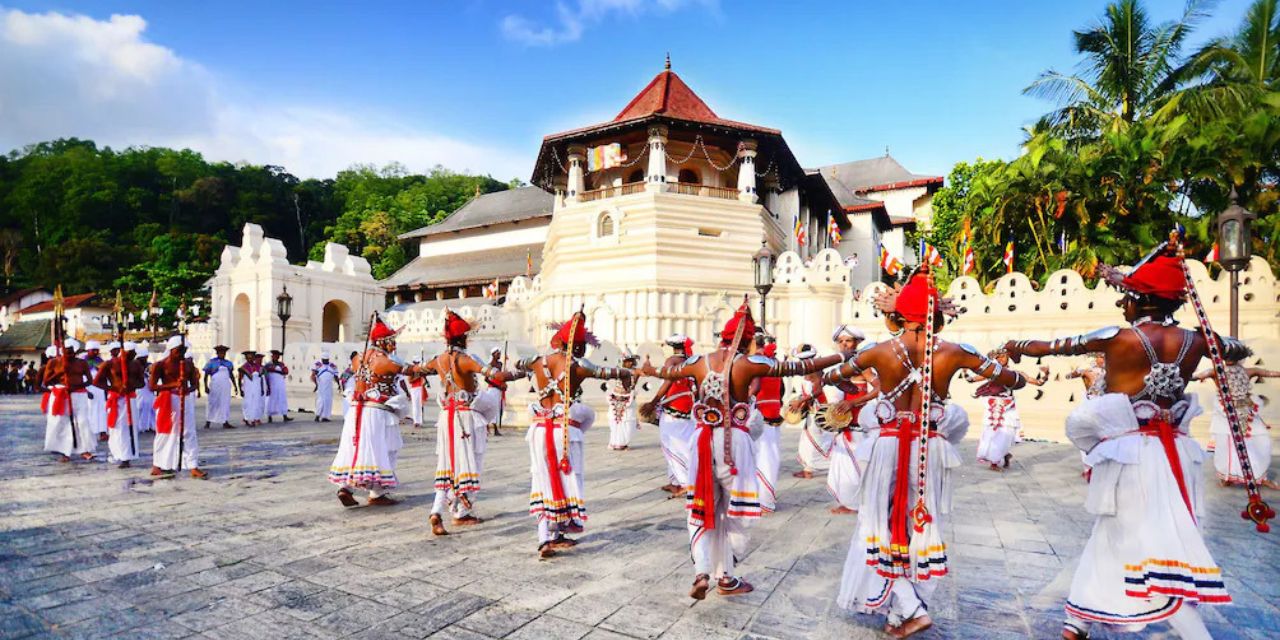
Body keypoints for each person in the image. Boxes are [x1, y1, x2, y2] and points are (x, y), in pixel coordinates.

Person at [1003, 242, 1248, 640]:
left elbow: (1050, 347)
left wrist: (1014, 347)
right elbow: (1238, 349)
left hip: (1132, 455)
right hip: (1173, 456)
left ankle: (1190, 629)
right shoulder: (1197, 340)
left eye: (1126, 298)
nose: (1122, 306)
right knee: (1117, 534)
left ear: (1139, 300)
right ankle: (1077, 621)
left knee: (1144, 538)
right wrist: (1213, 338)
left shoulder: (1117, 337)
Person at [832, 269, 1026, 638]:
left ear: (900, 314)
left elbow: (838, 374)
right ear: (937, 314)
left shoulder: (879, 350)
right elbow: (1007, 377)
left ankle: (911, 608)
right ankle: (899, 613)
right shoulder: (955, 352)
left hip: (889, 444)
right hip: (931, 447)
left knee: (878, 525)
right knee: (921, 524)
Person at [641, 300, 842, 599]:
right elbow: (803, 366)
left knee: (701, 508)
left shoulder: (698, 361)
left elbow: (667, 373)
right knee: (737, 512)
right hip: (734, 445)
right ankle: (726, 577)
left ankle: (701, 571)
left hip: (702, 441)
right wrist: (843, 355)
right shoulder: (750, 363)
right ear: (748, 341)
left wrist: (649, 368)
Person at [516, 310, 633, 558]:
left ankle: (545, 537)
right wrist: (625, 373)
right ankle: (557, 531)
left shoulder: (538, 361)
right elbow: (609, 372)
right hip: (563, 431)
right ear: (576, 346)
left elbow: (519, 365)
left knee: (541, 478)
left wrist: (521, 368)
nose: (583, 351)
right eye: (581, 346)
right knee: (568, 478)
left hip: (538, 429)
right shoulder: (579, 366)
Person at [420, 310, 523, 535]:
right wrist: (521, 372)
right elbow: (496, 376)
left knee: (446, 465)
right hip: (465, 419)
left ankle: (436, 511)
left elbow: (416, 371)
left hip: (446, 417)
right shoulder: (467, 359)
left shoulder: (438, 360)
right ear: (464, 338)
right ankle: (460, 513)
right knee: (469, 463)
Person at [328, 317, 409, 506]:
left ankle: (346, 487)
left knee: (356, 449)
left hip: (357, 412)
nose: (394, 344)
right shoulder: (384, 361)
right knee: (384, 449)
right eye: (392, 340)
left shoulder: (358, 359)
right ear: (383, 342)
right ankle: (377, 493)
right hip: (376, 412)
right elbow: (412, 371)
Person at [1193, 351, 1279, 488]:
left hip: (1247, 411)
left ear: (1240, 357)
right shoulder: (1215, 371)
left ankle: (1259, 476)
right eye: (1227, 356)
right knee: (1227, 445)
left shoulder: (1250, 371)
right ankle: (1227, 476)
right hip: (1225, 412)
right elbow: (1196, 376)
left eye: (1233, 356)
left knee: (1262, 441)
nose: (1230, 360)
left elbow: (1270, 373)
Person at [825, 325, 878, 514]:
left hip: (858, 423)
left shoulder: (862, 365)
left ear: (857, 343)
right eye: (841, 341)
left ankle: (855, 505)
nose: (844, 344)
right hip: (843, 422)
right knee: (843, 464)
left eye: (848, 341)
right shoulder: (839, 366)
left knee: (855, 464)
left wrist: (854, 403)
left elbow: (879, 388)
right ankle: (848, 502)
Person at [968, 348, 1048, 471]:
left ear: (1008, 358)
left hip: (1008, 407)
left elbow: (1038, 382)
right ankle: (995, 461)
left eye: (1003, 357)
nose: (1000, 359)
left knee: (1006, 433)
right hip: (993, 407)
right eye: (998, 357)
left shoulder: (1016, 373)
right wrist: (965, 368)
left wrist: (1046, 374)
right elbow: (971, 379)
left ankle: (1002, 454)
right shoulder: (991, 373)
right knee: (992, 432)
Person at [641, 334, 697, 496]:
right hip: (687, 405)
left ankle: (686, 482)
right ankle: (675, 481)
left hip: (674, 407)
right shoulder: (691, 361)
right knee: (683, 442)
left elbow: (667, 381)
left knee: (672, 444)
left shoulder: (672, 360)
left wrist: (653, 402)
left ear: (673, 346)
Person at [150, 336, 207, 479]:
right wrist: (173, 385)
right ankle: (158, 464)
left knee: (189, 432)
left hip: (185, 399)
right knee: (165, 432)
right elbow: (152, 386)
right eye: (179, 350)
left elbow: (194, 383)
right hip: (168, 400)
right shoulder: (160, 365)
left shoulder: (188, 364)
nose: (182, 353)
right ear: (171, 349)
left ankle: (193, 465)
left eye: (184, 350)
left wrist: (188, 389)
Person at [41, 339, 96, 462]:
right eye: (67, 353)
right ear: (62, 352)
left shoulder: (82, 363)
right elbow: (46, 382)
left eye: (71, 353)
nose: (69, 355)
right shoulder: (54, 362)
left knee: (82, 422)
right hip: (61, 395)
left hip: (79, 395)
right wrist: (60, 371)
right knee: (62, 422)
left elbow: (89, 380)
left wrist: (77, 387)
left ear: (75, 352)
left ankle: (85, 450)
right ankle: (65, 452)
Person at [94, 341, 144, 468]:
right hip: (116, 399)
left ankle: (127, 457)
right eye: (130, 354)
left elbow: (142, 383)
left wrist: (131, 385)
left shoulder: (136, 364)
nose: (132, 356)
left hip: (131, 398)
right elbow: (96, 382)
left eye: (133, 354)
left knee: (130, 427)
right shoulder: (109, 364)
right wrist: (114, 388)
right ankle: (119, 454)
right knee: (118, 428)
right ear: (123, 352)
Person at [750, 337, 783, 513]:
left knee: (760, 458)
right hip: (774, 412)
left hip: (760, 414)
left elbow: (754, 388)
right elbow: (782, 388)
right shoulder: (775, 361)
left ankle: (764, 501)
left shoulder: (755, 362)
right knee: (770, 456)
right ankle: (766, 496)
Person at [790, 344, 832, 479]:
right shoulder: (808, 370)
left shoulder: (815, 370)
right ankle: (808, 468)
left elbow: (818, 390)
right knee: (808, 441)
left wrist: (801, 401)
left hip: (818, 410)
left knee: (818, 441)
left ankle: (815, 468)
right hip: (811, 409)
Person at [607, 353, 640, 450]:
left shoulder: (635, 372)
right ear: (623, 362)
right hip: (615, 400)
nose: (630, 363)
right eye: (628, 361)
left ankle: (622, 443)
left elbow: (642, 373)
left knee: (628, 422)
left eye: (631, 361)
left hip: (627, 399)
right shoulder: (619, 371)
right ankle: (615, 443)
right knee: (615, 422)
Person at [203, 345, 238, 429]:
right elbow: (206, 375)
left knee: (225, 402)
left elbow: (231, 375)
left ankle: (225, 421)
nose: (222, 354)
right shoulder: (211, 362)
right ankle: (208, 421)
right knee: (212, 402)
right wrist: (205, 386)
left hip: (225, 385)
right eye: (220, 353)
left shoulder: (228, 363)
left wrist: (235, 385)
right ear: (217, 353)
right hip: (215, 385)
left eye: (224, 353)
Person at [83, 340, 109, 442]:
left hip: (100, 389)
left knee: (102, 411)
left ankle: (103, 432)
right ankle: (90, 433)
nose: (95, 352)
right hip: (87, 389)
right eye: (93, 350)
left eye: (97, 350)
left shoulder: (100, 361)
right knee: (90, 411)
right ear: (88, 350)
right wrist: (85, 391)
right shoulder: (82, 362)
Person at [481, 347, 507, 437]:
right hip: (492, 389)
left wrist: (503, 384)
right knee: (492, 408)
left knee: (497, 408)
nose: (499, 355)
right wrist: (498, 386)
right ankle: (492, 428)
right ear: (493, 354)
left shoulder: (500, 364)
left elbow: (501, 376)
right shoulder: (490, 365)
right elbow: (486, 379)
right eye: (498, 353)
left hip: (499, 390)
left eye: (500, 353)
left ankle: (494, 428)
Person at [239, 351, 266, 427]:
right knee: (248, 403)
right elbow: (240, 379)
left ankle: (254, 419)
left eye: (251, 357)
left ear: (254, 358)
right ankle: (247, 418)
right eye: (248, 358)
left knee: (256, 402)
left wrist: (262, 389)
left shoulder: (258, 367)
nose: (250, 359)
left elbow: (260, 378)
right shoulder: (243, 367)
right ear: (246, 358)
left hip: (257, 387)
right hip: (248, 388)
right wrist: (240, 389)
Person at [311, 351, 340, 422]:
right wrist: (316, 385)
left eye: (326, 360)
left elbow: (336, 377)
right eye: (324, 359)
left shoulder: (332, 366)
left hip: (329, 387)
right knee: (320, 400)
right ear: (321, 359)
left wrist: (339, 384)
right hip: (321, 386)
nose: (325, 361)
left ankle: (325, 417)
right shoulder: (317, 364)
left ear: (328, 359)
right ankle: (318, 415)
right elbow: (312, 376)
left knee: (328, 400)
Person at [264, 350, 292, 422]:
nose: (277, 357)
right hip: (272, 384)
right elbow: (265, 374)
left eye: (278, 356)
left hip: (280, 384)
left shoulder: (281, 364)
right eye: (275, 355)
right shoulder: (268, 365)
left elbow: (286, 372)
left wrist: (275, 371)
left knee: (282, 398)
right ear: (272, 356)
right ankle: (269, 416)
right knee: (271, 399)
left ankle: (284, 415)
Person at [134, 345, 156, 433]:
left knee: (150, 406)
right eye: (143, 357)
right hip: (139, 389)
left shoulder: (149, 365)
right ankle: (140, 426)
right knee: (139, 407)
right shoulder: (134, 365)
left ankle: (150, 425)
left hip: (148, 388)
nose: (145, 359)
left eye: (146, 357)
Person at [406, 357, 430, 428]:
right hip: (414, 388)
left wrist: (425, 380)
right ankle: (416, 421)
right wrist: (418, 376)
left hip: (421, 388)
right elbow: (410, 381)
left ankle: (420, 421)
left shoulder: (422, 370)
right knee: (415, 405)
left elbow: (425, 380)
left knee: (420, 405)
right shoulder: (411, 371)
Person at [339, 350, 359, 417]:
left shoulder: (348, 372)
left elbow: (341, 382)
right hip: (349, 393)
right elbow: (342, 381)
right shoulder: (350, 371)